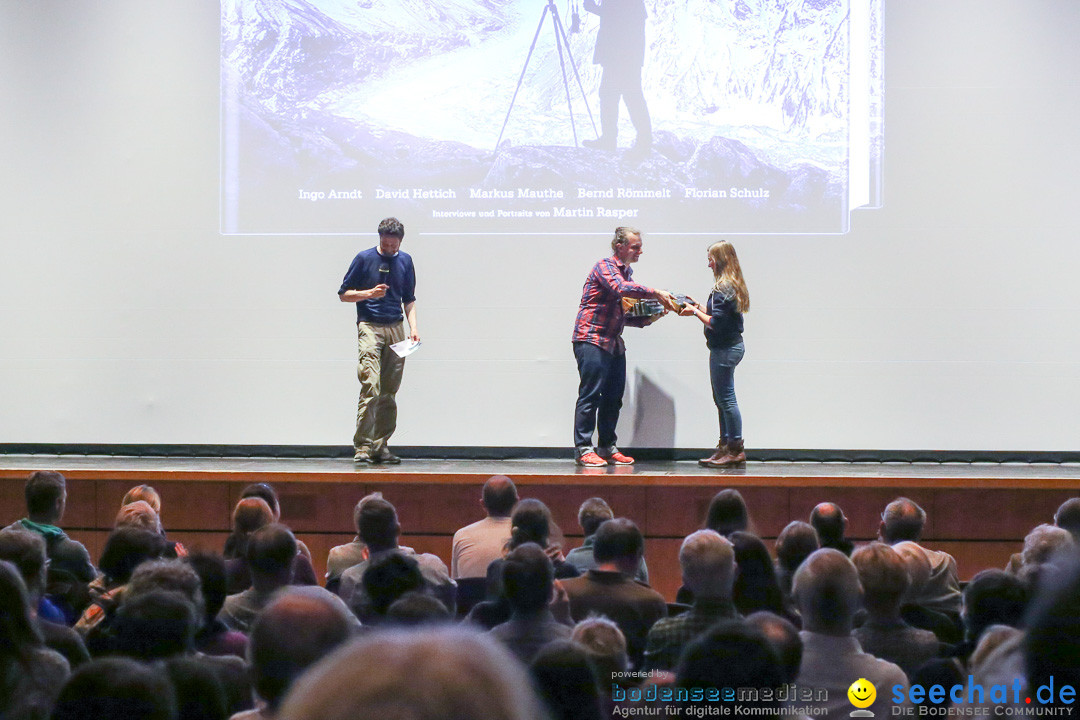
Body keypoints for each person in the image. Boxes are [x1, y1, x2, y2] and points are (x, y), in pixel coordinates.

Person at [572, 227, 678, 466]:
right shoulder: (606, 267)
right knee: (590, 395)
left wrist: (655, 315)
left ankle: (607, 447)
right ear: (619, 246)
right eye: (635, 246)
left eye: (640, 246)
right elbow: (621, 289)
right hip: (591, 338)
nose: (640, 250)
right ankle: (584, 448)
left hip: (612, 343)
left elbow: (625, 314)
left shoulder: (627, 273)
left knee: (613, 397)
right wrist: (656, 293)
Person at [338, 217, 418, 465]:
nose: (390, 248)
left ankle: (380, 445)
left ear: (400, 242)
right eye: (386, 243)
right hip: (370, 326)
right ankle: (362, 445)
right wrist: (369, 294)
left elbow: (409, 299)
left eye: (394, 245)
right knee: (370, 385)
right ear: (380, 238)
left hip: (396, 327)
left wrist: (413, 329)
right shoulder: (364, 258)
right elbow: (344, 295)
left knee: (389, 392)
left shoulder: (405, 260)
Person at [679, 240, 750, 467]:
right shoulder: (729, 284)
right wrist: (698, 306)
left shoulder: (723, 287)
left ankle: (734, 448)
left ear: (719, 260)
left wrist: (694, 312)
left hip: (725, 349)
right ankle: (725, 446)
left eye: (710, 259)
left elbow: (716, 322)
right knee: (721, 399)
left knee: (726, 400)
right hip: (728, 347)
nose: (708, 264)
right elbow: (719, 316)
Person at [581, 0, 651, 158]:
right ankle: (612, 140)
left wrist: (594, 8)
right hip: (622, 50)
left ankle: (642, 143)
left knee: (630, 96)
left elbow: (620, 15)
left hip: (623, 51)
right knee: (611, 94)